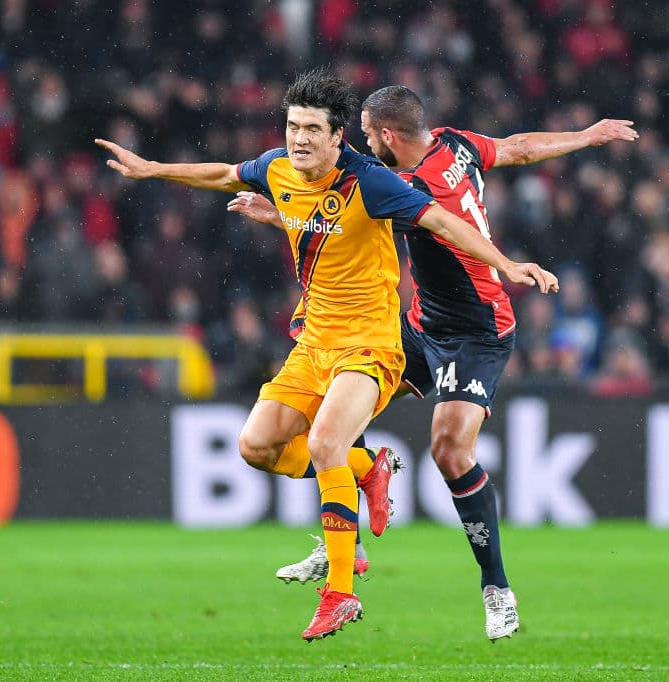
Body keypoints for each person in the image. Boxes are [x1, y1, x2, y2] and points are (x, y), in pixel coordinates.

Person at [95, 68, 558, 642]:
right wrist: (151, 169)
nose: (300, 139)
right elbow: (221, 173)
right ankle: (368, 472)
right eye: (293, 127)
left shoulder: (372, 180)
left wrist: (508, 266)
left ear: (341, 137)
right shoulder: (278, 169)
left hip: (381, 338)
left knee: (344, 442)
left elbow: (440, 218)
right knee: (256, 447)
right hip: (320, 339)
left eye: (314, 129)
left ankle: (349, 588)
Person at [229, 84, 636, 640]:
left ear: (389, 136)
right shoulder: (456, 143)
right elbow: (518, 148)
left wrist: (278, 216)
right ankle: (349, 518)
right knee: (327, 422)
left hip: (478, 331)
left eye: (369, 137)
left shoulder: (402, 187)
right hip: (421, 326)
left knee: (448, 450)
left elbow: (351, 224)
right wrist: (587, 136)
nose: (364, 146)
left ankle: (496, 588)